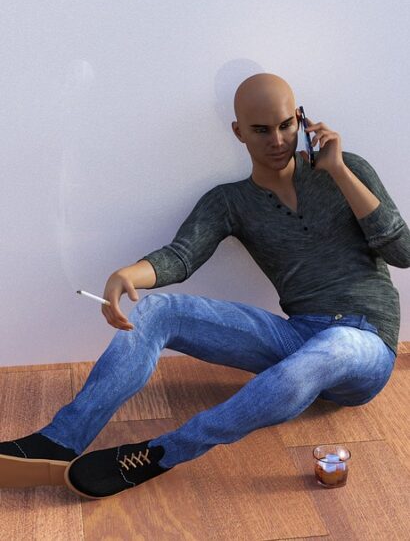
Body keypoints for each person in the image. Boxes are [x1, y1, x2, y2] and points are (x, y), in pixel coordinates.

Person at [1, 73, 409, 500]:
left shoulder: (349, 170)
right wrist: (128, 274)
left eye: (286, 125)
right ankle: (59, 440)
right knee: (158, 311)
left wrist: (339, 170)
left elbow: (403, 253)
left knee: (334, 347)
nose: (277, 140)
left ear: (302, 119)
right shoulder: (229, 201)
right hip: (299, 335)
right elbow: (181, 256)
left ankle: (165, 451)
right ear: (238, 132)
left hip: (366, 344)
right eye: (260, 130)